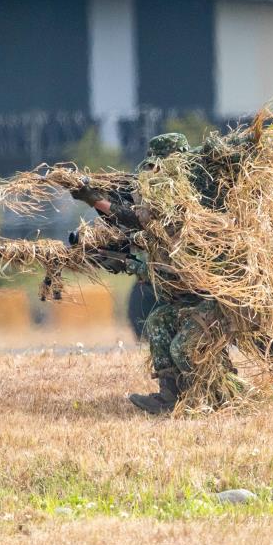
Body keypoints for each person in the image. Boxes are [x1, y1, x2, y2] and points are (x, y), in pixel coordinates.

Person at [71, 132, 221, 414]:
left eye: (159, 166)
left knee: (182, 349)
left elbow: (137, 218)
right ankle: (169, 398)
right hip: (183, 293)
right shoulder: (166, 191)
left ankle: (214, 399)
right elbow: (133, 220)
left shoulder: (191, 195)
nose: (154, 173)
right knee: (157, 323)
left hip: (208, 296)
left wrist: (96, 202)